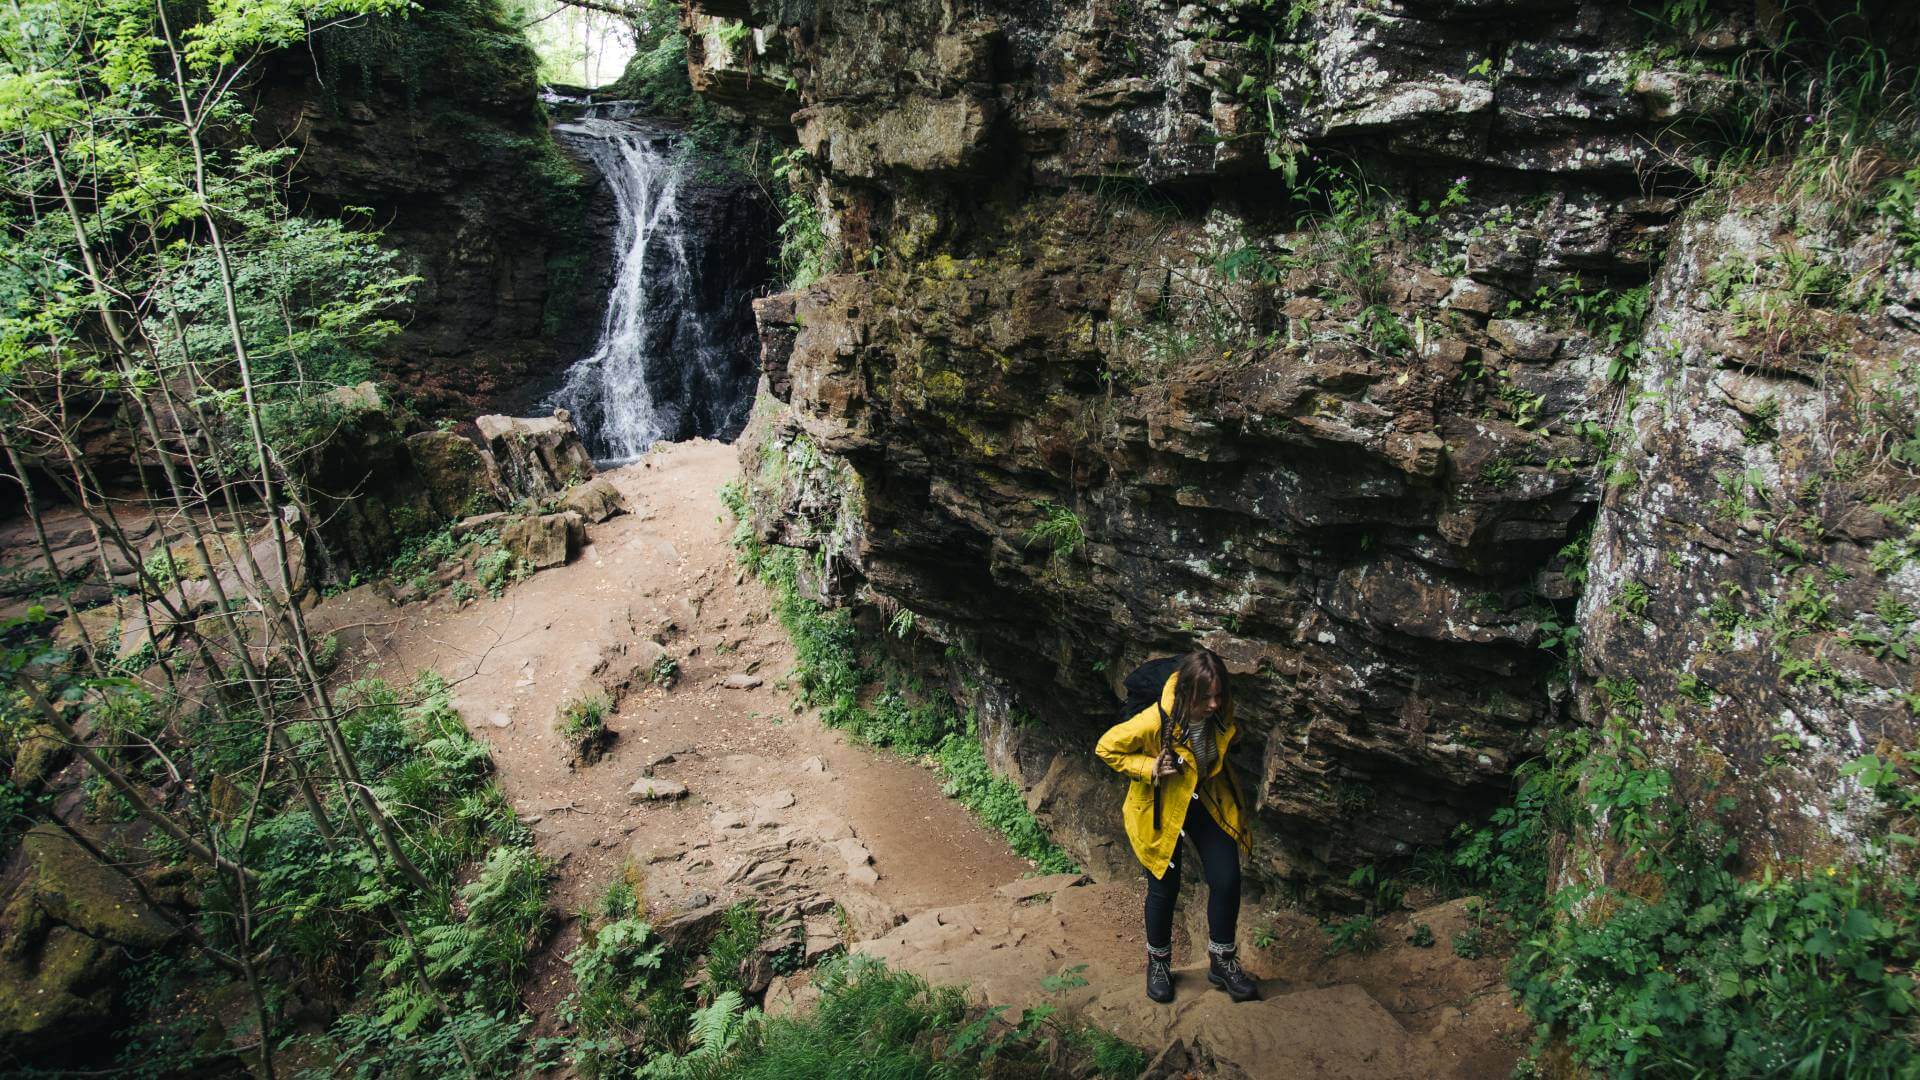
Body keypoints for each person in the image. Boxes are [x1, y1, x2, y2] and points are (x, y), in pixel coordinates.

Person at [1095, 648, 1259, 1004]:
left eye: (1219, 695)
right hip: (1161, 805)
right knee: (1163, 889)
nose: (1215, 704)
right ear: (1188, 694)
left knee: (1227, 878)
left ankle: (1222, 960)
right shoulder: (1157, 720)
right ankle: (1158, 965)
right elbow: (1106, 747)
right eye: (1207, 697)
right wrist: (1149, 767)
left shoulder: (1220, 711)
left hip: (1205, 798)